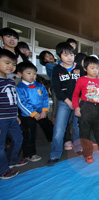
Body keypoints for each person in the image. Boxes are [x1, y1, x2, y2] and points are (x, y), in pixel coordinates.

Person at [48, 42, 85, 166]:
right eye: (65, 55)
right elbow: (57, 89)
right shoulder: (57, 69)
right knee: (59, 129)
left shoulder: (79, 68)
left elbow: (85, 86)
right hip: (65, 103)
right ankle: (55, 155)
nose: (69, 57)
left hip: (78, 103)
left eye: (71, 54)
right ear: (59, 57)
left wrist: (78, 101)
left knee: (77, 127)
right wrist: (68, 101)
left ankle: (78, 148)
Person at [72, 56, 99, 163]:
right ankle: (88, 154)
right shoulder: (81, 80)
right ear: (85, 69)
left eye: (97, 68)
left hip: (97, 108)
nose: (95, 70)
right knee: (85, 133)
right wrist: (76, 108)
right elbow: (75, 95)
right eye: (92, 68)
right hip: (85, 107)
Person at [16, 62, 53, 162]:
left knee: (48, 127)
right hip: (28, 115)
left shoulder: (39, 85)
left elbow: (45, 97)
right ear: (20, 74)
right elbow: (21, 103)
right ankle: (29, 154)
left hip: (41, 113)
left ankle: (53, 141)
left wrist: (44, 111)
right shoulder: (20, 88)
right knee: (29, 133)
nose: (32, 76)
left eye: (34, 73)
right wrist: (33, 114)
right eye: (29, 73)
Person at [0, 49, 28, 180]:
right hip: (1, 120)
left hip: (12, 117)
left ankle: (12, 160)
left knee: (18, 139)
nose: (10, 66)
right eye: (6, 62)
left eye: (13, 64)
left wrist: (16, 114)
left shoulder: (10, 81)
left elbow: (13, 100)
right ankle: (3, 170)